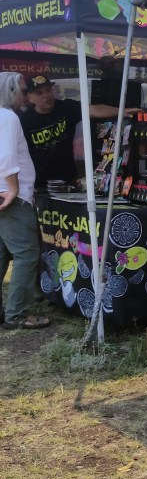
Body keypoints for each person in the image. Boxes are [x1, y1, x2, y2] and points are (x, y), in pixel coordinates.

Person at [21, 74, 135, 189]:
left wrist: (122, 111)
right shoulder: (24, 120)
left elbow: (95, 110)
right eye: (39, 93)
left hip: (67, 180)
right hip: (37, 183)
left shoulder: (66, 107)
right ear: (30, 98)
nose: (46, 95)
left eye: (48, 90)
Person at [0, 73, 50, 329]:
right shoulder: (8, 117)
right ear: (10, 91)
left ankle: (10, 312)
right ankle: (17, 314)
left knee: (2, 255)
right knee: (27, 254)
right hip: (11, 196)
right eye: (22, 91)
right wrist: (14, 189)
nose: (26, 96)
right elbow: (6, 156)